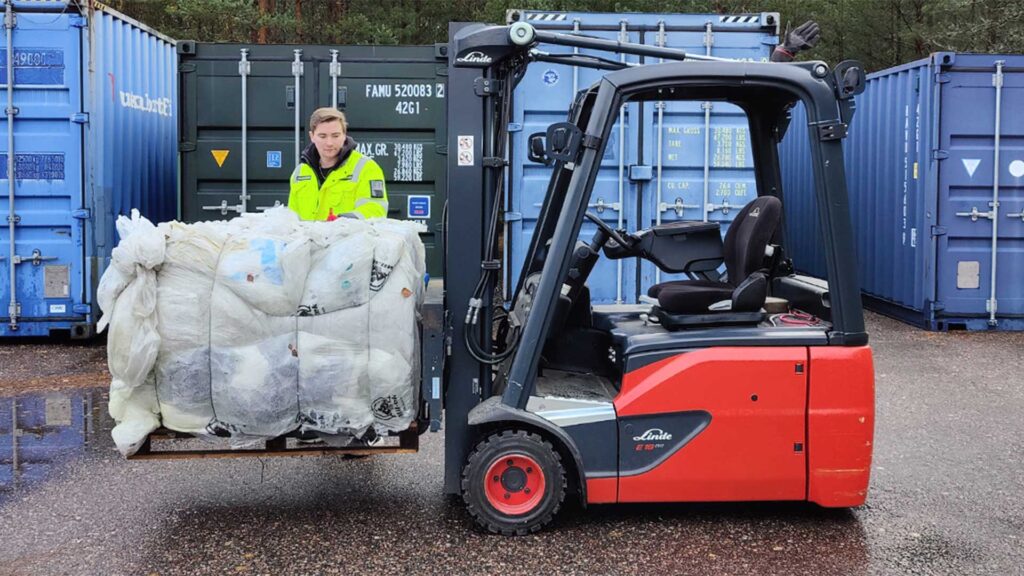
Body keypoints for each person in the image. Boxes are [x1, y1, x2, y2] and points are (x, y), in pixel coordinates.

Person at [288, 107, 388, 220]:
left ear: (344, 135)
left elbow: (376, 210)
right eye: (322, 136)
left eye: (335, 136)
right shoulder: (300, 173)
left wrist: (343, 221)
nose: (329, 143)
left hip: (347, 237)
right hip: (308, 238)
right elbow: (292, 219)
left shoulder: (366, 168)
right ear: (312, 137)